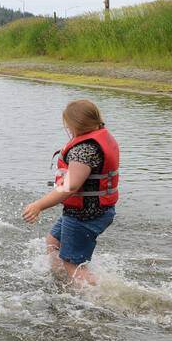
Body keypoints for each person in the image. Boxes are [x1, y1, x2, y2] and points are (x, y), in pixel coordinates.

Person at [21, 99, 119, 286]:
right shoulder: (99, 138)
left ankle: (94, 299)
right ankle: (62, 281)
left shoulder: (84, 150)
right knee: (53, 241)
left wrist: (38, 205)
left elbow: (70, 187)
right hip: (86, 212)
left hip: (86, 215)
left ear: (72, 124)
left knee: (73, 263)